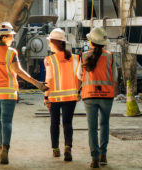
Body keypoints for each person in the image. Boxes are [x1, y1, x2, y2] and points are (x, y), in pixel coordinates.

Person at [0, 22, 48, 164]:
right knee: (6, 121)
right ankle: (5, 149)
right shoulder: (11, 53)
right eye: (11, 36)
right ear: (4, 36)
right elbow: (19, 71)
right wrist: (37, 84)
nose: (13, 38)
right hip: (8, 93)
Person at [79, 27, 117, 168]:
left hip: (89, 95)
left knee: (92, 128)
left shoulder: (83, 56)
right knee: (104, 125)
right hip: (107, 95)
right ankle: (103, 155)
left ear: (91, 42)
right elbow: (115, 76)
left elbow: (79, 75)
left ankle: (94, 158)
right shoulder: (110, 56)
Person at [43, 28, 80, 162]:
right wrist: (78, 91)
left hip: (54, 97)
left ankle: (56, 149)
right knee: (67, 123)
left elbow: (49, 79)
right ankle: (67, 148)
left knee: (54, 123)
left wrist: (46, 97)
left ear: (54, 43)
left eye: (50, 42)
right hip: (71, 97)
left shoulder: (49, 60)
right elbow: (80, 77)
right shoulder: (75, 58)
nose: (48, 45)